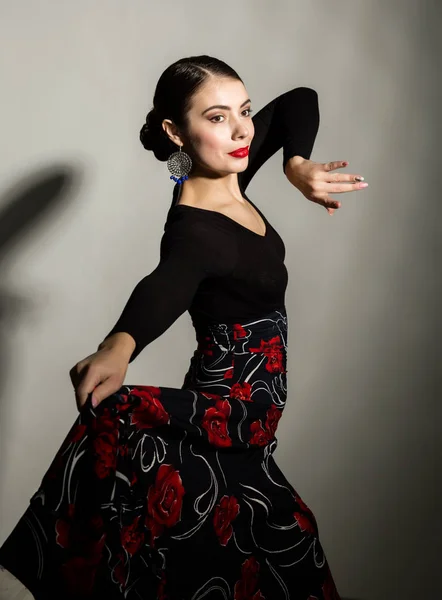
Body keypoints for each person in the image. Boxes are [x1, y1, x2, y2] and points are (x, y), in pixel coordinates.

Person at [0, 55, 367, 599]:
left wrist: (296, 165)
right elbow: (165, 284)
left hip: (252, 436)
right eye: (218, 117)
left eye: (243, 111)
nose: (243, 129)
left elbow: (299, 99)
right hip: (224, 421)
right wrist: (118, 346)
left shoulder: (220, 169)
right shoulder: (196, 229)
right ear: (177, 130)